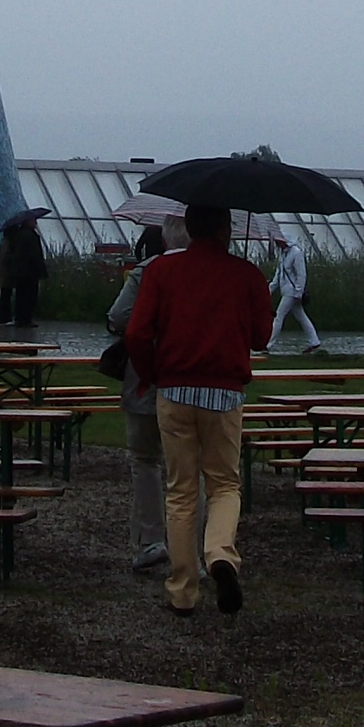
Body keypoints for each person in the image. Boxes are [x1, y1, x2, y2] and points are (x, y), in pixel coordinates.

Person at [125, 201, 273, 616]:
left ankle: (182, 588)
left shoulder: (159, 272)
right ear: (226, 229)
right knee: (224, 484)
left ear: (188, 229)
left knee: (181, 489)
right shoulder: (247, 275)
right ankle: (220, 554)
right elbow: (262, 337)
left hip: (173, 391)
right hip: (223, 393)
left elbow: (137, 332)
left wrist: (151, 372)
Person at [106, 222, 183, 572]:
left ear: (165, 238)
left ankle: (152, 539)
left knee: (144, 459)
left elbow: (119, 316)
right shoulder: (212, 270)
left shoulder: (148, 271)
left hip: (144, 376)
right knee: (187, 467)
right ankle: (190, 549)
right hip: (189, 379)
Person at [269, 233, 320, 351]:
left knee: (279, 316)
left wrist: (298, 292)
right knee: (301, 316)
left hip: (291, 292)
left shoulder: (296, 253)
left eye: (278, 241)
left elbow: (301, 274)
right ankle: (315, 341)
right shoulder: (283, 254)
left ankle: (268, 345)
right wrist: (269, 290)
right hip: (287, 291)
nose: (276, 243)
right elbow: (278, 275)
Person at [0, 211, 46, 331]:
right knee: (28, 296)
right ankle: (25, 319)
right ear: (27, 221)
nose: (35, 222)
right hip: (29, 272)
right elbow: (32, 255)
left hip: (22, 272)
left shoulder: (20, 235)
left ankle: (21, 318)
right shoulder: (27, 236)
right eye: (33, 220)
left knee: (21, 295)